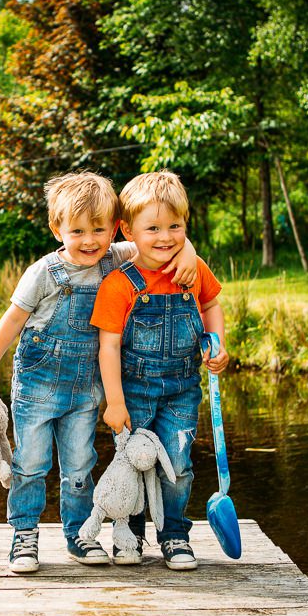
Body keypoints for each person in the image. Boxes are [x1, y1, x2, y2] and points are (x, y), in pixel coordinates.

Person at [0, 171, 198, 573]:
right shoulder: (44, 272)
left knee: (78, 465)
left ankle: (78, 535)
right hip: (38, 386)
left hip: (85, 391)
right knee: (31, 464)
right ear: (56, 228)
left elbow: (162, 241)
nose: (90, 240)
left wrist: (187, 253)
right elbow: (12, 320)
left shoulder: (115, 256)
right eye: (77, 231)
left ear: (114, 228)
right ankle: (24, 536)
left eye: (99, 229)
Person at [91, 171, 229, 571]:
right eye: (152, 227)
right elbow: (109, 346)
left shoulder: (192, 269)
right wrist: (115, 402)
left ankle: (174, 536)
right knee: (131, 463)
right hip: (133, 390)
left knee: (178, 463)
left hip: (182, 387)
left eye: (175, 226)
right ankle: (129, 532)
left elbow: (212, 306)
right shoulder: (121, 284)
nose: (166, 236)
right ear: (127, 230)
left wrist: (216, 343)